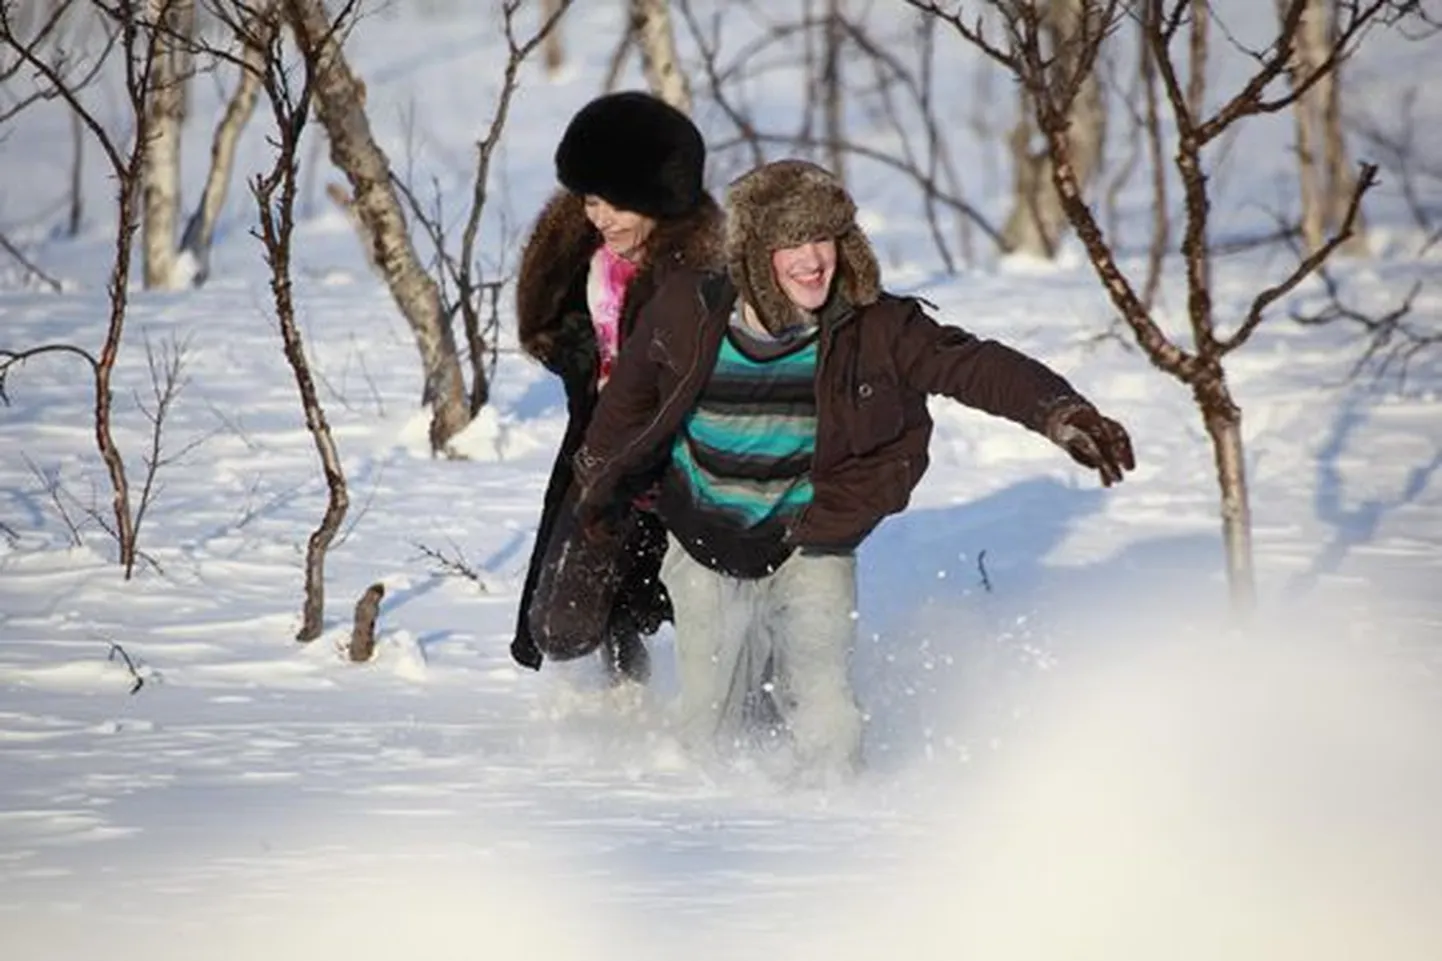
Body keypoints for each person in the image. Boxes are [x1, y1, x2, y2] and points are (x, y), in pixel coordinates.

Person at [570, 159, 1135, 780]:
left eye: (824, 238)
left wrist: (1058, 412)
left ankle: (832, 824)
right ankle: (703, 832)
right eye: (792, 243)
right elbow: (625, 403)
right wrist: (599, 486)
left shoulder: (876, 326)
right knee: (711, 714)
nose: (813, 260)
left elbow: (971, 364)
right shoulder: (688, 308)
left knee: (824, 702)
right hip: (704, 531)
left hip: (809, 535)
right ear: (758, 253)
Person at [511, 92, 724, 684]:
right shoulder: (587, 256)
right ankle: (621, 680)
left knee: (698, 602)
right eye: (591, 200)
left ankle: (728, 708)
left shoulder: (698, 277)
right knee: (561, 624)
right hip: (600, 452)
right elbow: (563, 333)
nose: (601, 217)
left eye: (617, 204)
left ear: (662, 199)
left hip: (678, 461)